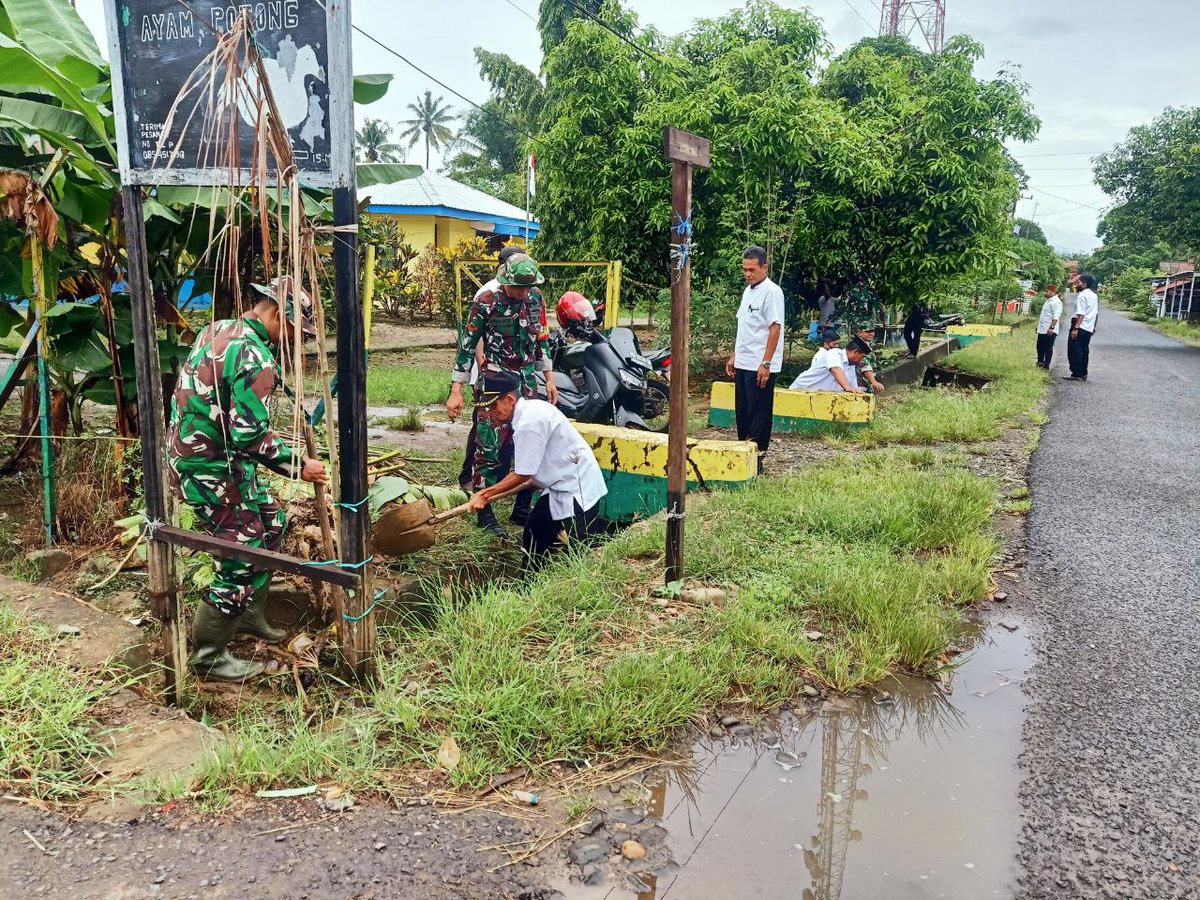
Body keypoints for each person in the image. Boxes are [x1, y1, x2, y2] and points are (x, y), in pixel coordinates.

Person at [167, 276, 327, 682]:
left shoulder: (219, 328)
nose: (296, 340)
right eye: (296, 330)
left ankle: (248, 615)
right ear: (277, 314)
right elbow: (249, 435)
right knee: (241, 554)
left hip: (212, 458)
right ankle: (208, 657)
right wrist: (299, 467)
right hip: (209, 468)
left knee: (272, 521)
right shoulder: (256, 357)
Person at [446, 252, 557, 537]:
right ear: (505, 281)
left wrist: (549, 379)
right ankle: (485, 513)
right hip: (495, 384)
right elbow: (467, 347)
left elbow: (541, 340)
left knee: (530, 443)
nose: (523, 293)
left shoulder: (535, 299)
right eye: (518, 287)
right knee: (489, 446)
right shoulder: (486, 302)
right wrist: (456, 391)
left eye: (527, 287)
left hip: (527, 383)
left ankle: (522, 508)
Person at [467, 373, 607, 559]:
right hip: (558, 484)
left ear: (509, 400)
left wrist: (484, 494)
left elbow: (523, 474)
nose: (490, 413)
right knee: (534, 533)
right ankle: (530, 576)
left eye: (493, 406)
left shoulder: (528, 423)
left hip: (578, 487)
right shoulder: (531, 409)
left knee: (579, 551)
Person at [455, 245, 524, 492]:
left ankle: (496, 482)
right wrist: (481, 368)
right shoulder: (487, 294)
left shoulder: (525, 294)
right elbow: (474, 339)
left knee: (503, 431)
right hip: (487, 374)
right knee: (483, 429)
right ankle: (470, 478)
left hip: (510, 377)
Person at [725, 246, 785, 461]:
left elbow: (775, 328)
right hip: (744, 361)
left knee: (759, 413)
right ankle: (744, 455)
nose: (748, 274)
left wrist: (766, 363)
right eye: (744, 269)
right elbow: (746, 327)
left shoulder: (772, 292)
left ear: (764, 267)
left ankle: (758, 458)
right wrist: (736, 356)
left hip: (760, 364)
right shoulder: (748, 291)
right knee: (743, 412)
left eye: (752, 269)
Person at [789, 329, 867, 393]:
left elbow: (853, 387)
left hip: (817, 396)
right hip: (801, 391)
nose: (862, 360)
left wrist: (854, 389)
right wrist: (848, 387)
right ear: (855, 352)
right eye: (862, 356)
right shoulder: (833, 353)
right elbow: (836, 370)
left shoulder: (851, 365)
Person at [1065, 273, 1099, 381]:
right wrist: (1093, 326)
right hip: (1088, 327)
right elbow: (1095, 313)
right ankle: (1083, 373)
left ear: (1084, 284)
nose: (1077, 284)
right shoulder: (1094, 295)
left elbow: (1081, 314)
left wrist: (1075, 328)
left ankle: (1076, 373)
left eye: (1078, 282)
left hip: (1080, 325)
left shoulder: (1082, 296)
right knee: (1084, 350)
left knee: (1074, 350)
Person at [1036, 284, 1063, 369]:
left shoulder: (1056, 302)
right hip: (1043, 329)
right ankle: (1040, 362)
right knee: (1040, 346)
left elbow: (1056, 316)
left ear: (1053, 292)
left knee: (1048, 348)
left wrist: (1051, 328)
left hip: (1049, 329)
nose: (1045, 293)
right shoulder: (1048, 301)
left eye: (1047, 291)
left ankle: (1046, 365)